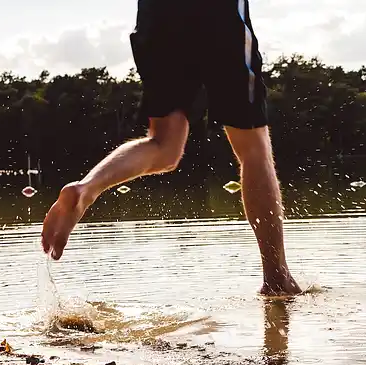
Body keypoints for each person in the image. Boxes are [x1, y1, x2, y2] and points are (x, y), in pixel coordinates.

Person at [40, 0, 302, 296]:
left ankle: (87, 188)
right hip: (218, 12)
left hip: (158, 12)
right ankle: (277, 279)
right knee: (253, 150)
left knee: (164, 146)